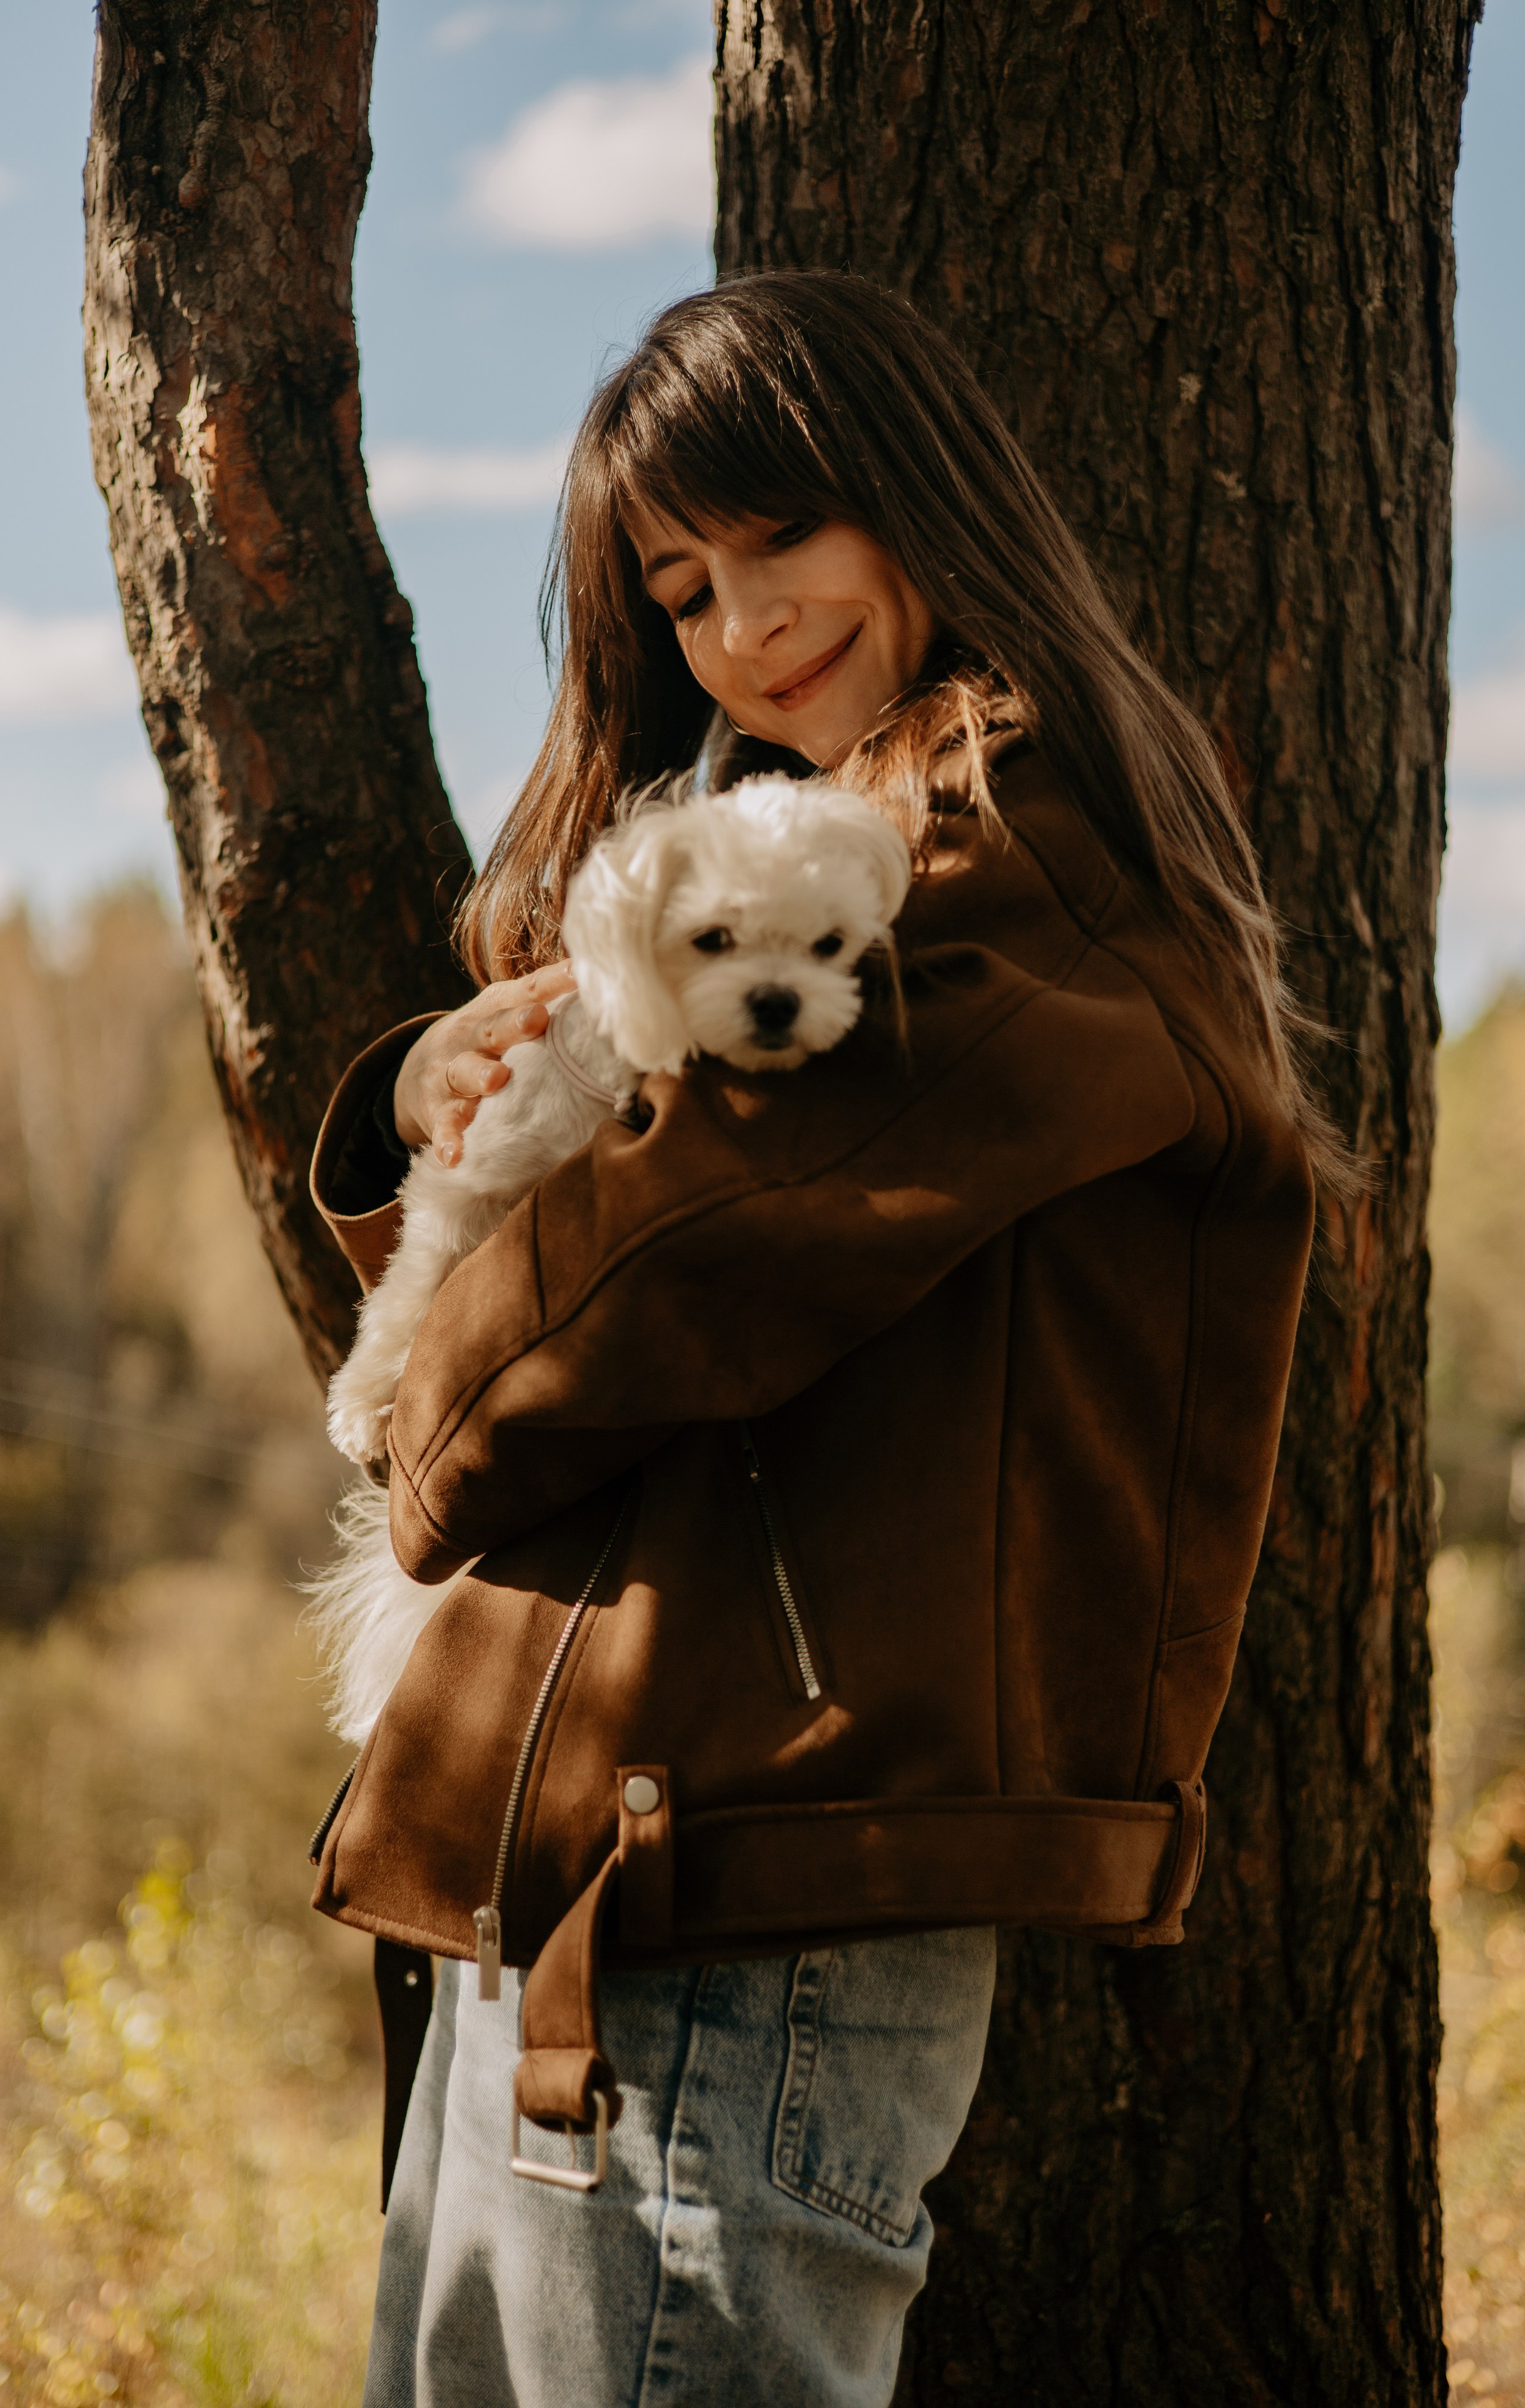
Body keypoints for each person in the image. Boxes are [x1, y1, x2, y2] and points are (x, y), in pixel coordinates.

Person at [307, 272, 1336, 2408]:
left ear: (913, 496)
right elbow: (626, 1189)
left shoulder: (980, 838)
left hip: (743, 1873)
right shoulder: (798, 828)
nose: (743, 627)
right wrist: (431, 1090)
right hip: (619, 1859)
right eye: (683, 590)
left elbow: (702, 1239)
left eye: (781, 543)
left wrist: (419, 1425)